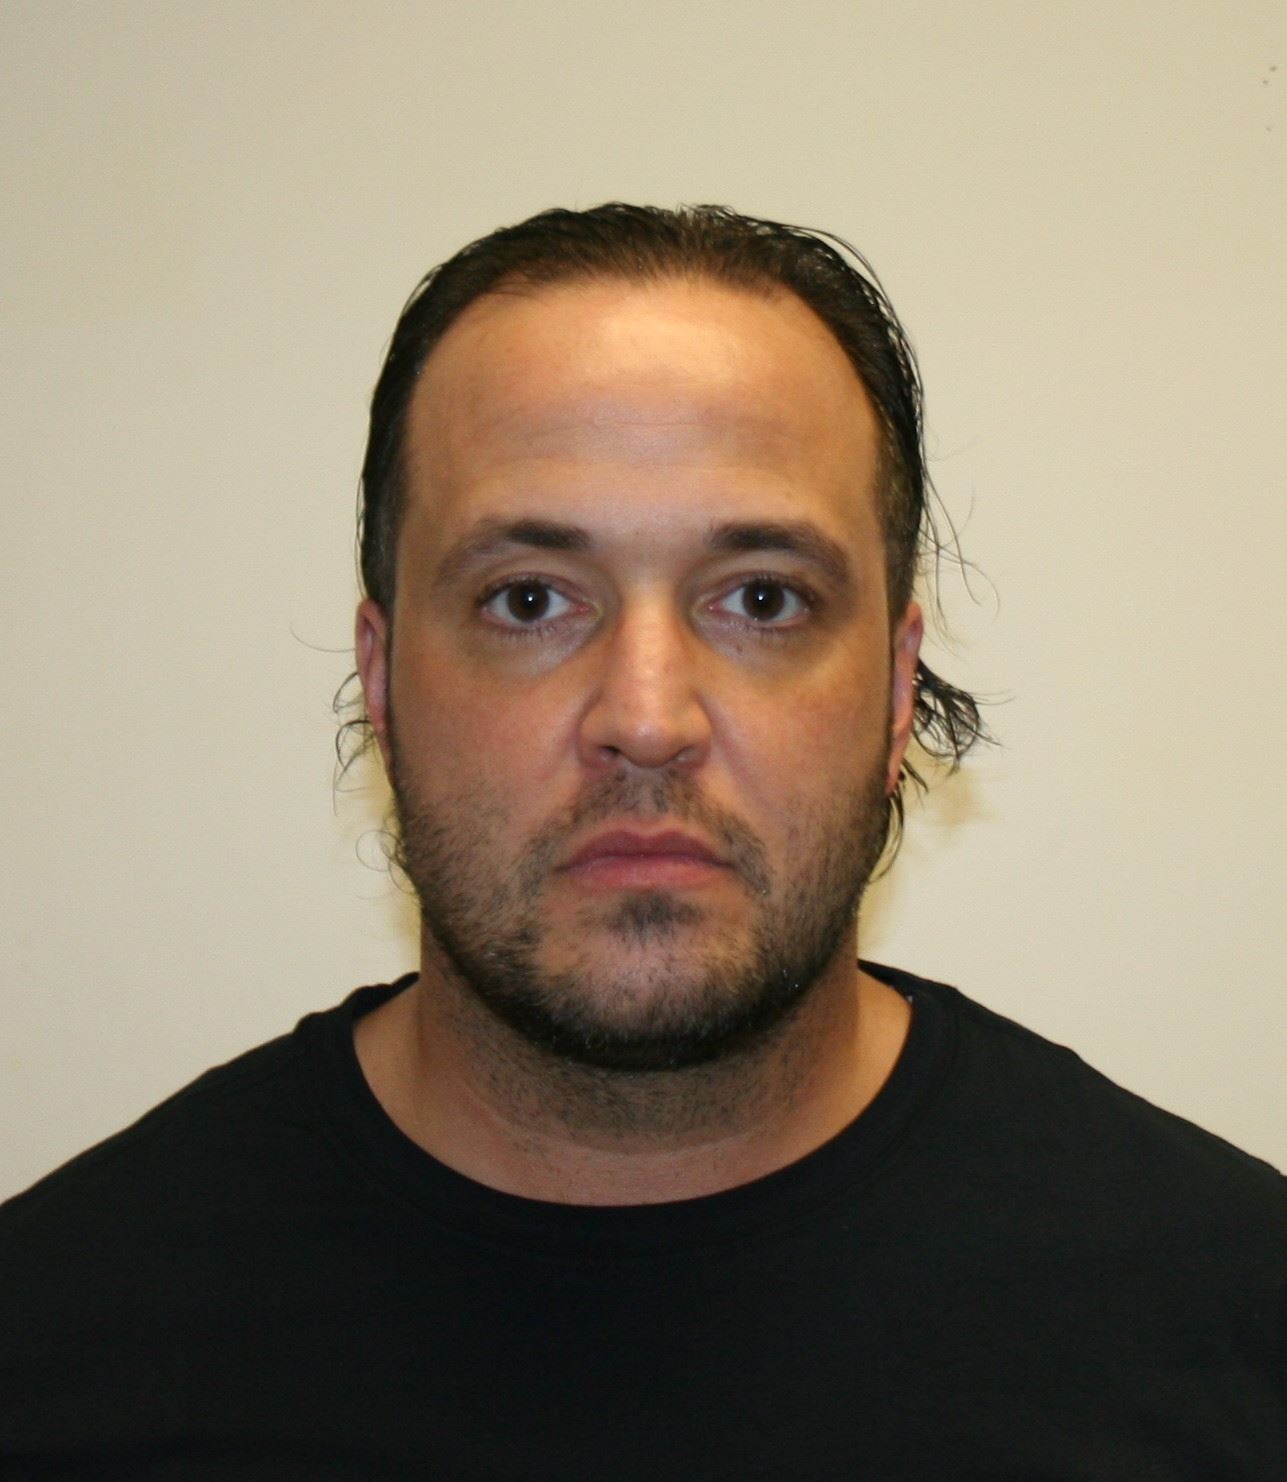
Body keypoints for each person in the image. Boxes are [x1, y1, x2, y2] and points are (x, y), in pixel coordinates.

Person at [1, 204, 1281, 1480]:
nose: (649, 720)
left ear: (898, 692)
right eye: (529, 600)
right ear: (381, 682)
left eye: (763, 599)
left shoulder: (1232, 1328)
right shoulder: (56, 1347)